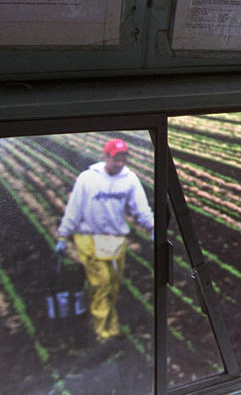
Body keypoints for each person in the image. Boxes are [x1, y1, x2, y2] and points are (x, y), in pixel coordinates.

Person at [55, 138, 153, 343]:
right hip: (88, 236)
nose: (119, 163)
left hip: (113, 238)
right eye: (116, 159)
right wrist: (63, 235)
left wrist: (153, 228)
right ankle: (101, 332)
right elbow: (74, 208)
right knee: (101, 283)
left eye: (123, 159)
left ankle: (112, 326)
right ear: (106, 156)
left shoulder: (129, 179)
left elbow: (141, 209)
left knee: (113, 285)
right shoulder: (87, 179)